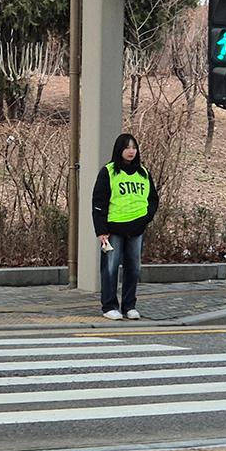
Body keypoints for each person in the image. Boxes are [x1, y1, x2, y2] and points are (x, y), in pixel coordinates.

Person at [91, 133, 158, 320]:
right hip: (114, 229)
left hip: (137, 229)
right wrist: (101, 230)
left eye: (134, 147)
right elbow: (99, 202)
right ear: (119, 149)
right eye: (127, 147)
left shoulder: (143, 172)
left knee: (134, 268)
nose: (131, 151)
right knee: (111, 268)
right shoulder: (109, 171)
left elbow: (153, 198)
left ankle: (129, 305)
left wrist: (146, 218)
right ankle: (109, 306)